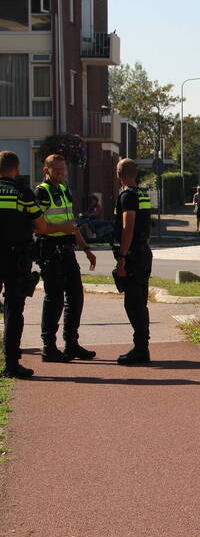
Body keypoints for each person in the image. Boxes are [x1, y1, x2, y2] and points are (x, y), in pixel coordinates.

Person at [0, 151, 77, 378]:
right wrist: (65, 227)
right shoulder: (23, 194)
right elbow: (41, 227)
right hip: (15, 257)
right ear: (16, 169)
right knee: (14, 309)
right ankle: (11, 363)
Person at [34, 154, 98, 363]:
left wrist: (86, 248)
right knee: (54, 299)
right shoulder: (41, 192)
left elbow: (72, 223)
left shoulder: (64, 190)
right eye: (57, 170)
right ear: (47, 171)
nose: (61, 174)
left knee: (76, 296)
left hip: (67, 248)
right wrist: (64, 228)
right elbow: (40, 227)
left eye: (63, 170)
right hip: (50, 248)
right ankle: (49, 347)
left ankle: (71, 344)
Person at [113, 158, 153, 365]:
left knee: (133, 303)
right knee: (140, 302)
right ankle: (141, 346)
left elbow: (128, 227)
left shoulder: (127, 196)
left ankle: (140, 349)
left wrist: (121, 257)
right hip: (143, 251)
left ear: (118, 174)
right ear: (135, 174)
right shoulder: (142, 194)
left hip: (133, 255)